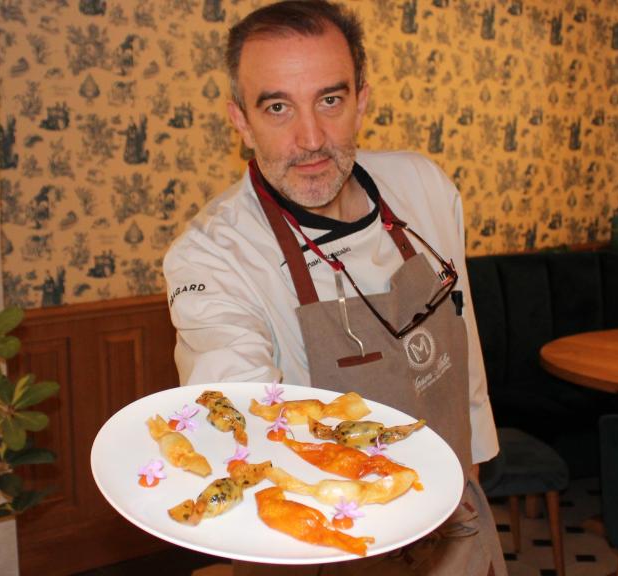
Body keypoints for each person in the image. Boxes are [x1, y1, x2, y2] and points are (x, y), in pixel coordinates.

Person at [162, 1, 505, 574]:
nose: (311, 137)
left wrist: (471, 468)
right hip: (316, 545)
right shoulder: (212, 255)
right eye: (277, 107)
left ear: (362, 100)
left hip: (452, 530)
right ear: (240, 121)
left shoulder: (423, 186)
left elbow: (461, 349)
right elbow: (238, 412)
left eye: (330, 99)